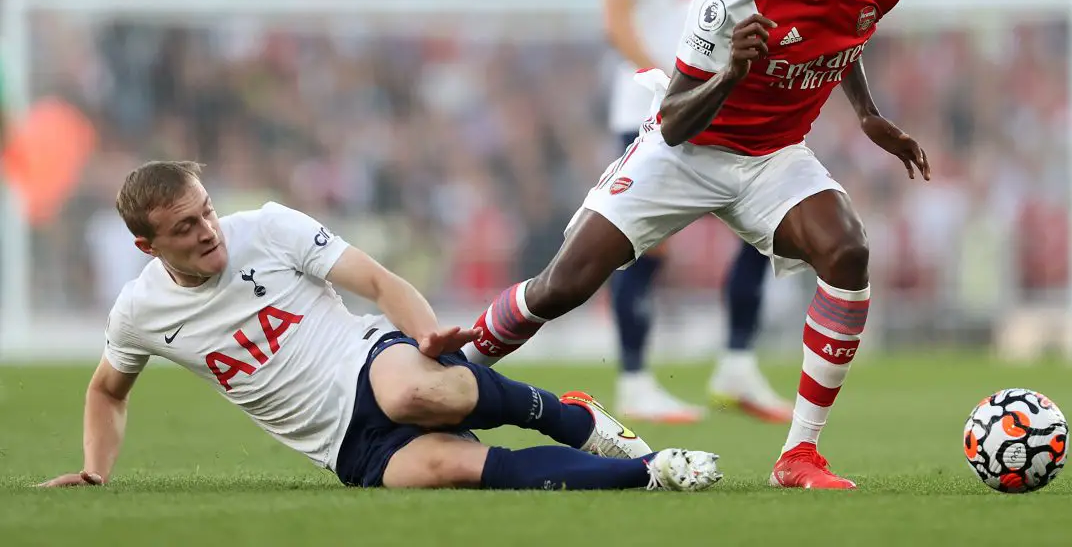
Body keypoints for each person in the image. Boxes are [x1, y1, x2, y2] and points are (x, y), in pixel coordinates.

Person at [462, 0, 930, 490]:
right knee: (560, 287)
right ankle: (449, 372)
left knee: (848, 253)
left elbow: (844, 34)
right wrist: (734, 72)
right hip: (686, 152)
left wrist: (868, 113)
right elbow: (677, 121)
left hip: (772, 158)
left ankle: (798, 456)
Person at [39, 161, 722, 492]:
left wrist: (427, 341)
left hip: (369, 362)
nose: (208, 231)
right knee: (453, 468)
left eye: (207, 211)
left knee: (413, 393)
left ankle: (568, 418)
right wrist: (95, 472)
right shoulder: (139, 312)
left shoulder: (267, 229)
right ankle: (649, 475)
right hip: (346, 450)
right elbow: (107, 391)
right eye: (186, 228)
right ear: (147, 247)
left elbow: (377, 282)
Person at [593, 0, 789, 424]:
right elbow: (618, 21)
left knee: (769, 223)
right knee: (641, 248)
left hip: (709, 105)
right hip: (651, 109)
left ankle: (736, 366)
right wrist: (666, 85)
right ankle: (633, 381)